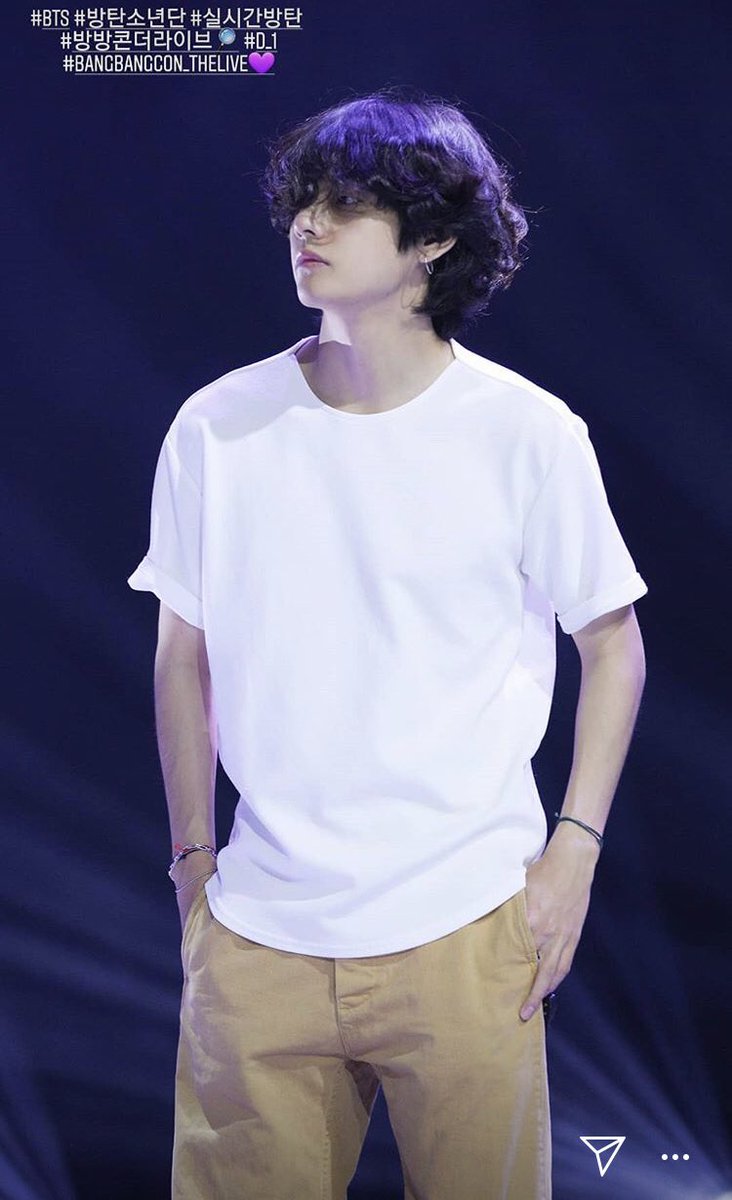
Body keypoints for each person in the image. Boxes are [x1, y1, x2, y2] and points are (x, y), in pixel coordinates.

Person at [127, 86, 648, 1200]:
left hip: (464, 922)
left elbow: (613, 642)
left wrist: (574, 852)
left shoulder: (526, 433)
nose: (309, 223)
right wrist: (193, 866)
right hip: (260, 928)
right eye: (303, 198)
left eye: (348, 203)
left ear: (435, 238)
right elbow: (183, 657)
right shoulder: (218, 426)